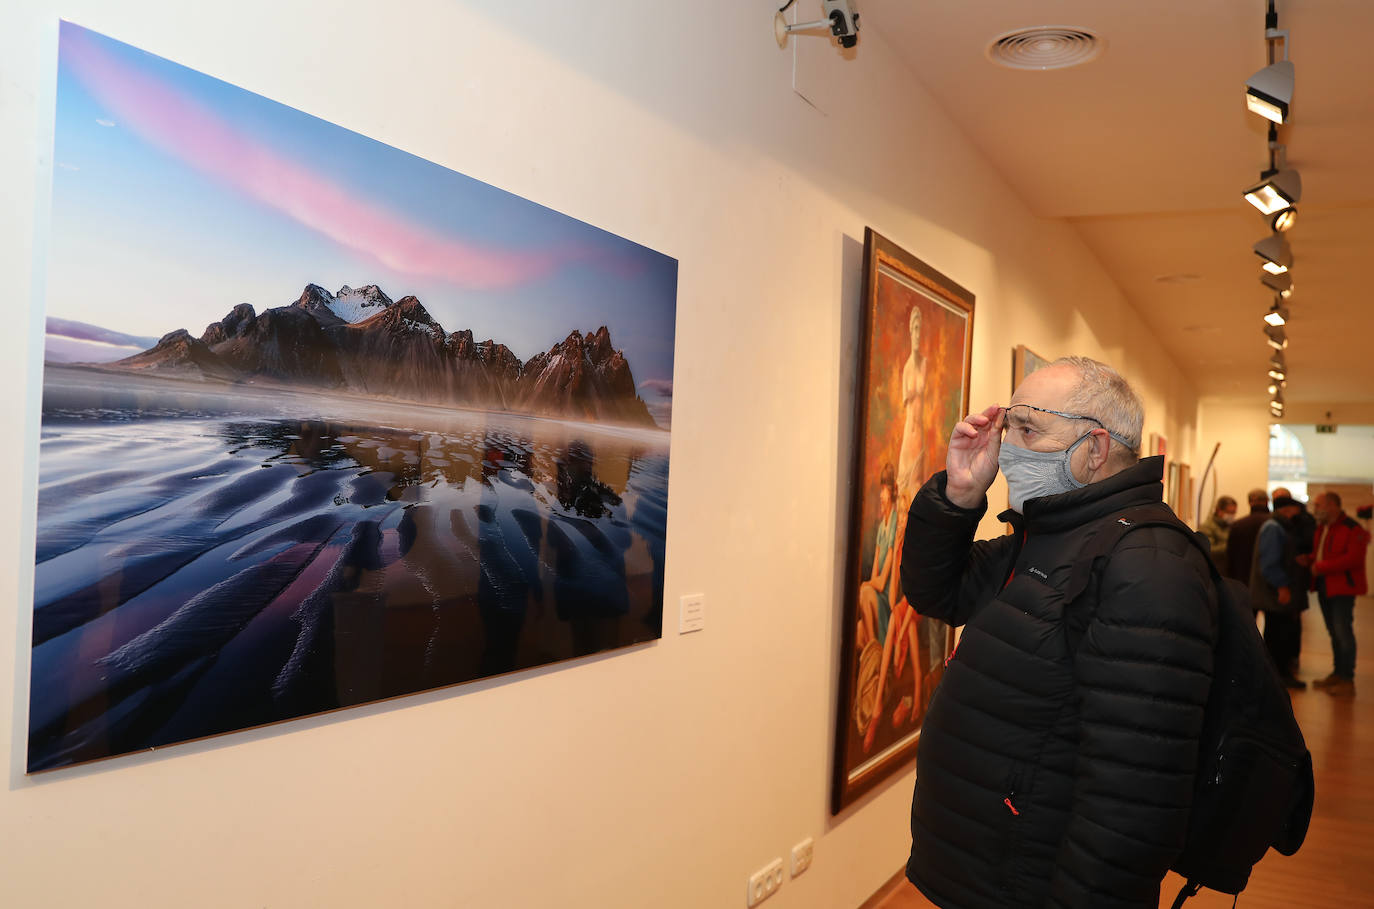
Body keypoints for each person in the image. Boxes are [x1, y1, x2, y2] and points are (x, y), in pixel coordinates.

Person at [900, 357, 1217, 909]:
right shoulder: (1048, 535)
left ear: (1095, 449)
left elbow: (1134, 793)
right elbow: (938, 593)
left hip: (1031, 882)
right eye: (1008, 428)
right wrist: (959, 495)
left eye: (1028, 429)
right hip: (984, 869)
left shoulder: (1147, 563)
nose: (1009, 448)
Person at [1308, 492, 1369, 696]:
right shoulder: (1323, 528)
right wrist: (1308, 560)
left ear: (1332, 505)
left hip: (1342, 588)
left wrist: (1321, 566)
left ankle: (1347, 678)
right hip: (1325, 585)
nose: (1315, 508)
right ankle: (1337, 673)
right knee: (1334, 632)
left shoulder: (1352, 528)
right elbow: (1320, 553)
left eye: (1318, 504)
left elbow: (1354, 559)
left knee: (1343, 632)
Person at [1251, 495, 1307, 689]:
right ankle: (1277, 676)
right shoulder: (1274, 528)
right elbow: (1269, 564)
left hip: (1274, 592)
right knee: (1278, 636)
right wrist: (1282, 586)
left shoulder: (1276, 527)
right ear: (1287, 510)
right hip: (1274, 593)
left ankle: (1277, 675)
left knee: (1278, 634)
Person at [1227, 488, 1270, 583]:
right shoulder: (1274, 522)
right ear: (1267, 501)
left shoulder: (1238, 525)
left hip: (1242, 577)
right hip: (1268, 578)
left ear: (1249, 503)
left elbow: (1230, 556)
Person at [1199, 494, 1238, 571]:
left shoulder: (1232, 526)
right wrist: (1230, 546)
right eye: (1229, 512)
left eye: (1234, 512)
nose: (1232, 516)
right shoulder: (1207, 527)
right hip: (1215, 570)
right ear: (1219, 510)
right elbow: (1209, 549)